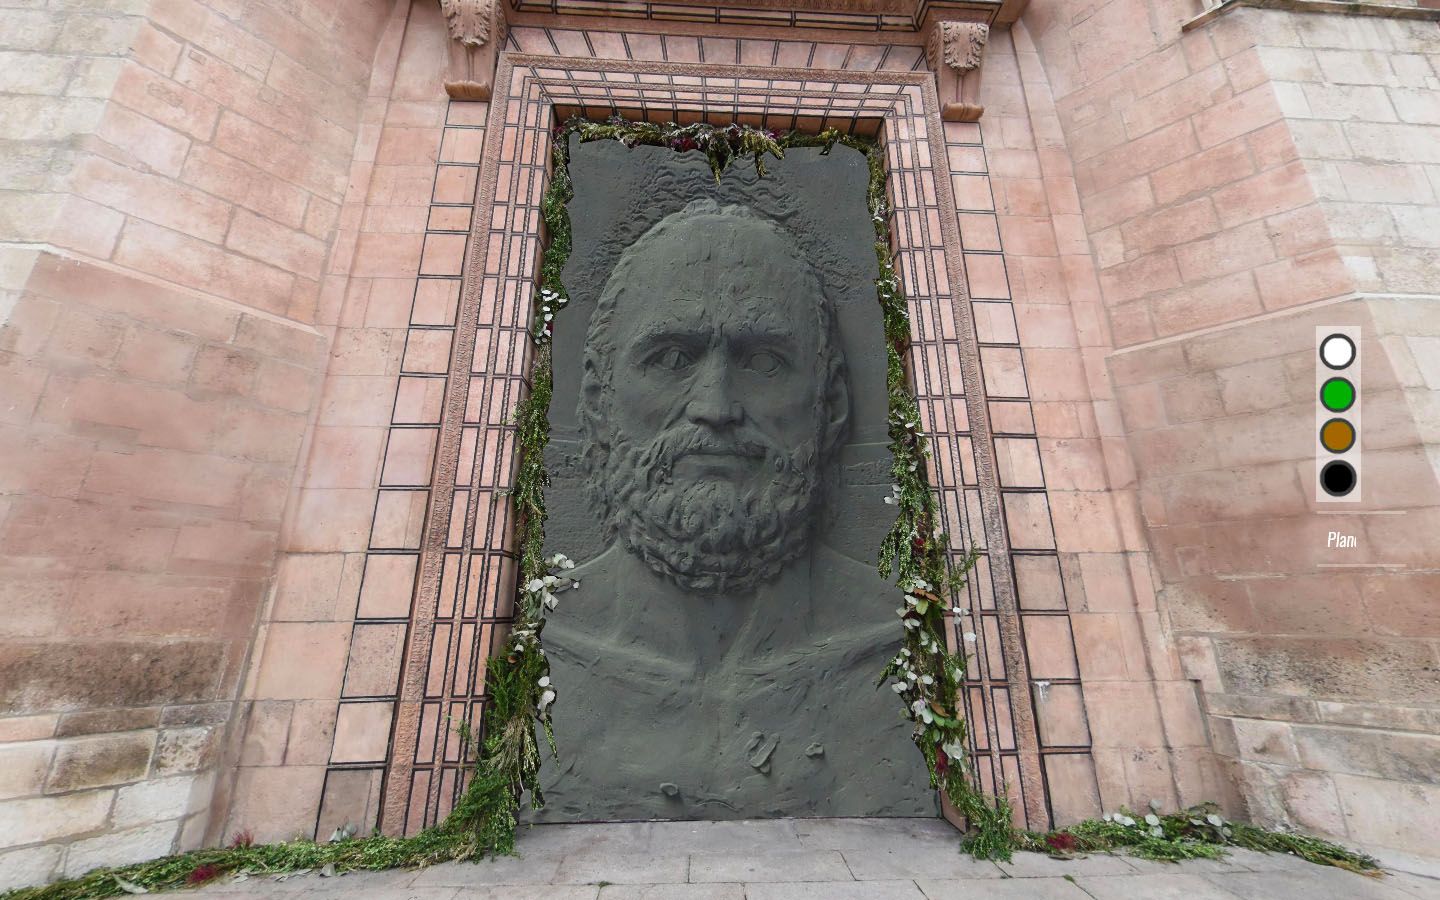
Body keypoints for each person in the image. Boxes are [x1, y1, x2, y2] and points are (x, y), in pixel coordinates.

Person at [532, 199, 929, 821]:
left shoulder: (897, 643)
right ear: (596, 398)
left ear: (829, 406)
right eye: (670, 359)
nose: (715, 406)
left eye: (765, 362)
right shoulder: (542, 643)